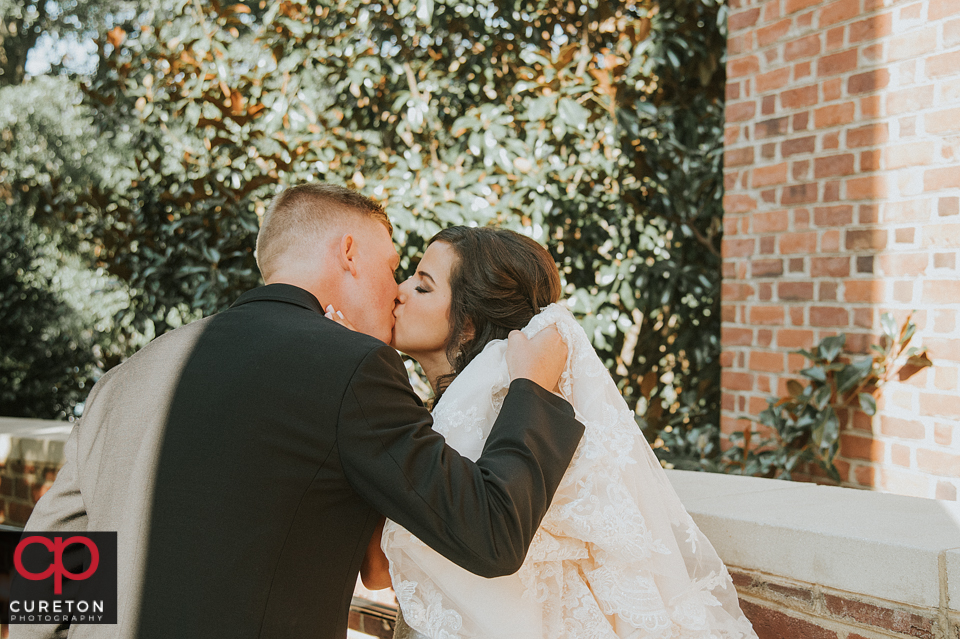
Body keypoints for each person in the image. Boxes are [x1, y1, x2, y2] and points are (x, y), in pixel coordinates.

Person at [13, 184, 585, 639]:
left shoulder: (122, 379)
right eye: (392, 269)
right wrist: (532, 390)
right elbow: (489, 534)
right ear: (349, 253)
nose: (395, 293)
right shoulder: (352, 368)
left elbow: (49, 572)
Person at [353, 226, 759, 639]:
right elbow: (379, 568)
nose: (399, 291)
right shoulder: (440, 421)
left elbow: (379, 568)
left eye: (423, 287)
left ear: (470, 324)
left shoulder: (496, 431)